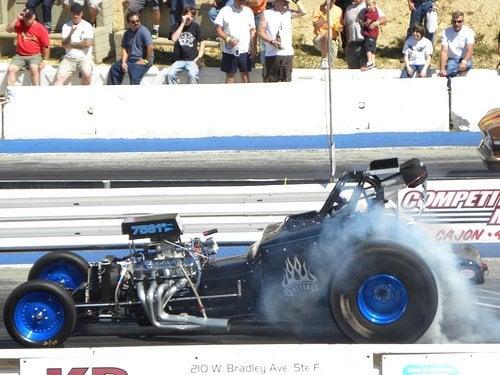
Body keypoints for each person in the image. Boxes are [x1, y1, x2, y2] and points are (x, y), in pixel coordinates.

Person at [258, 0, 305, 82]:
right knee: (270, 82)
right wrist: (271, 41)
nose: (287, 4)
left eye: (288, 2)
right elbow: (260, 32)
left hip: (287, 54)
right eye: (284, 2)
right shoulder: (266, 13)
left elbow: (303, 12)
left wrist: (297, 1)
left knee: (286, 82)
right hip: (272, 54)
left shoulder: (288, 13)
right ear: (276, 2)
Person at [5, 8, 50, 87]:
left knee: (34, 68)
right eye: (26, 17)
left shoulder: (41, 28)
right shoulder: (20, 23)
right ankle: (10, 93)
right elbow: (8, 30)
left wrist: (45, 60)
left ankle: (36, 91)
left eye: (30, 16)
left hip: (35, 55)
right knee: (11, 69)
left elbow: (46, 45)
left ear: (34, 16)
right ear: (23, 16)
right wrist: (17, 18)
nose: (28, 19)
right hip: (20, 55)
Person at [215, 0, 256, 83]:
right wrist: (228, 39)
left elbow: (253, 30)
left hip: (245, 50)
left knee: (245, 75)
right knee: (230, 76)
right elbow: (218, 30)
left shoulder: (249, 11)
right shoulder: (225, 10)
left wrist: (253, 46)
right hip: (230, 50)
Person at [107, 12, 154, 85]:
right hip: (130, 59)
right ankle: (113, 92)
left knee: (134, 76)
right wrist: (123, 62)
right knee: (114, 68)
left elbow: (150, 47)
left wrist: (146, 61)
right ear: (129, 23)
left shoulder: (144, 31)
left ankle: (133, 95)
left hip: (141, 60)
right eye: (133, 22)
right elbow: (124, 49)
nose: (136, 23)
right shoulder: (127, 33)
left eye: (137, 21)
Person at [53, 3, 94, 85]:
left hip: (84, 57)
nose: (76, 15)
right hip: (69, 58)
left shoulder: (87, 25)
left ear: (82, 13)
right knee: (59, 77)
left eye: (78, 13)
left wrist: (70, 44)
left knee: (87, 74)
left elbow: (87, 44)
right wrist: (71, 33)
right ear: (71, 13)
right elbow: (64, 44)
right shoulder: (66, 26)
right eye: (74, 13)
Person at [165, 5, 204, 84]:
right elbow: (174, 39)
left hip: (192, 60)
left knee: (192, 75)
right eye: (188, 16)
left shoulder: (196, 26)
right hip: (178, 60)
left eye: (192, 16)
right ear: (183, 15)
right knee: (169, 74)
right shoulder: (176, 25)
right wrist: (183, 23)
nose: (190, 18)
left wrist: (199, 57)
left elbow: (202, 42)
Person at [439, 11, 474, 78]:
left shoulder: (469, 32)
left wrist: (464, 62)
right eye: (454, 21)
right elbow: (444, 51)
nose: (457, 24)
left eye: (459, 21)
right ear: (451, 21)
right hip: (452, 58)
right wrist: (442, 68)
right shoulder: (446, 32)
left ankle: (450, 72)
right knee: (450, 67)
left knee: (468, 65)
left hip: (465, 58)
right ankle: (451, 71)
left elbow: (470, 49)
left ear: (463, 21)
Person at [312, 0, 343, 70]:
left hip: (333, 39)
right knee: (325, 36)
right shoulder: (318, 9)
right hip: (320, 37)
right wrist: (325, 13)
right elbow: (316, 25)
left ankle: (327, 75)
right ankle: (324, 59)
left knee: (330, 64)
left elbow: (340, 24)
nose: (330, 1)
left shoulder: (338, 10)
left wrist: (339, 27)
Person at [359, 0, 380, 70]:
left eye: (369, 5)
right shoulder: (375, 11)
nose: (368, 7)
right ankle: (373, 63)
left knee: (368, 48)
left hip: (370, 34)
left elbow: (368, 24)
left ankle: (369, 62)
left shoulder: (370, 14)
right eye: (366, 5)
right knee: (372, 48)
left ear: (374, 5)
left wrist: (365, 23)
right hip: (374, 34)